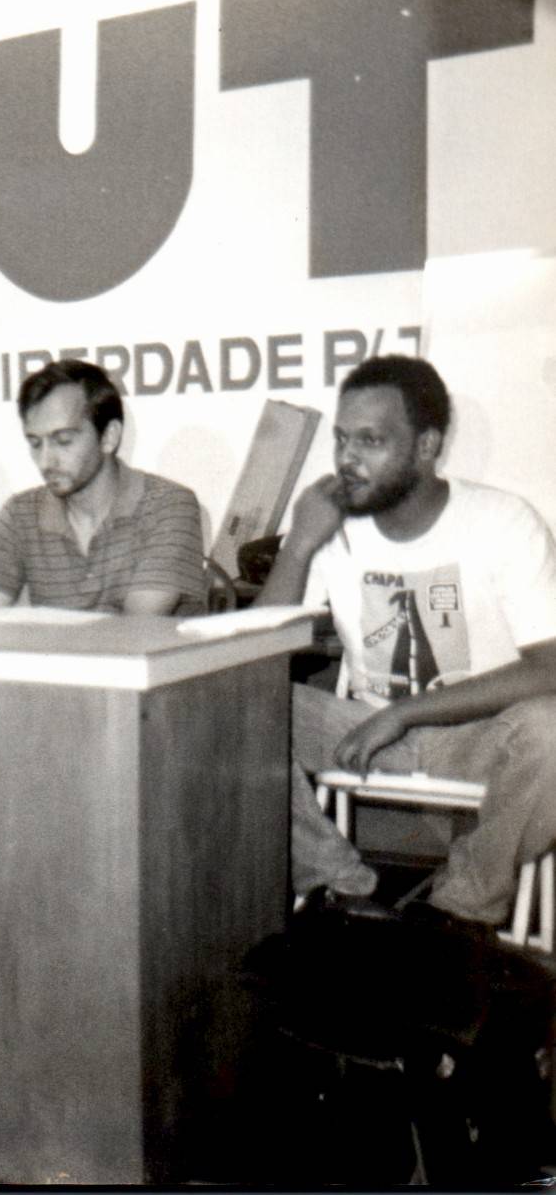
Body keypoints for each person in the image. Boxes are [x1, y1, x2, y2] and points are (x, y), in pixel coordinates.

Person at [256, 355, 556, 929]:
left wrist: (407, 713)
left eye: (370, 441)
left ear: (426, 446)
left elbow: (550, 669)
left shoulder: (503, 520)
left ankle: (457, 913)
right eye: (342, 439)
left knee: (552, 726)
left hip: (479, 734)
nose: (347, 459)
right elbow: (247, 655)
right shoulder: (333, 527)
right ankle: (339, 889)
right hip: (363, 728)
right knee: (237, 710)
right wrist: (298, 546)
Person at [0, 360, 206, 614]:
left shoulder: (168, 505)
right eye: (36, 443)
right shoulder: (20, 514)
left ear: (109, 437)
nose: (46, 461)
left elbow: (138, 632)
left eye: (64, 441)